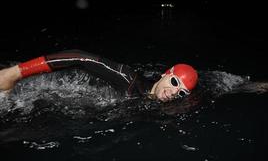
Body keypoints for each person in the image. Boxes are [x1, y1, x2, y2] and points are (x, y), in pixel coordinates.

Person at [0, 49, 198, 102]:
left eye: (181, 92)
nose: (173, 92)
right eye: (174, 82)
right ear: (166, 73)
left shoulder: (154, 103)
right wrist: (16, 73)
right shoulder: (128, 80)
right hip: (59, 86)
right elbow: (79, 56)